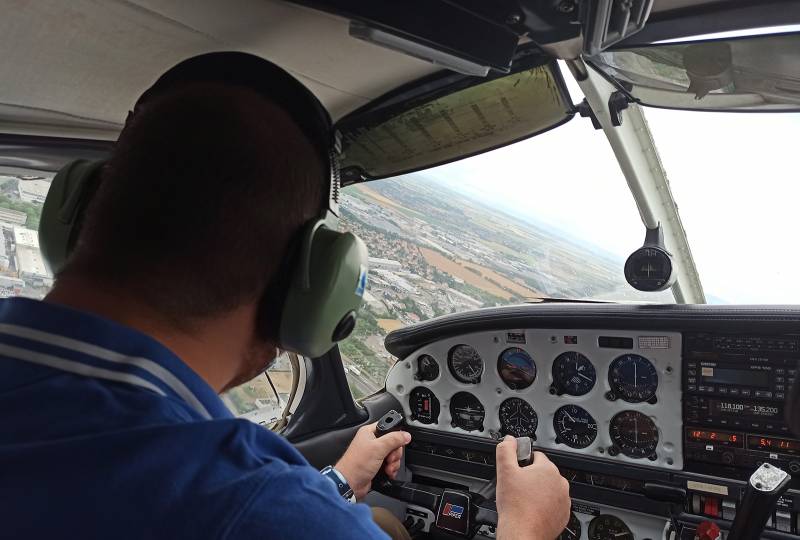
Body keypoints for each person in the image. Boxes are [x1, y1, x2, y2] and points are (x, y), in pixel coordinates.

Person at [0, 52, 570, 539]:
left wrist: (338, 483)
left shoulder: (251, 499)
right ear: (314, 284)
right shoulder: (246, 503)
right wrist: (527, 525)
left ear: (73, 220)